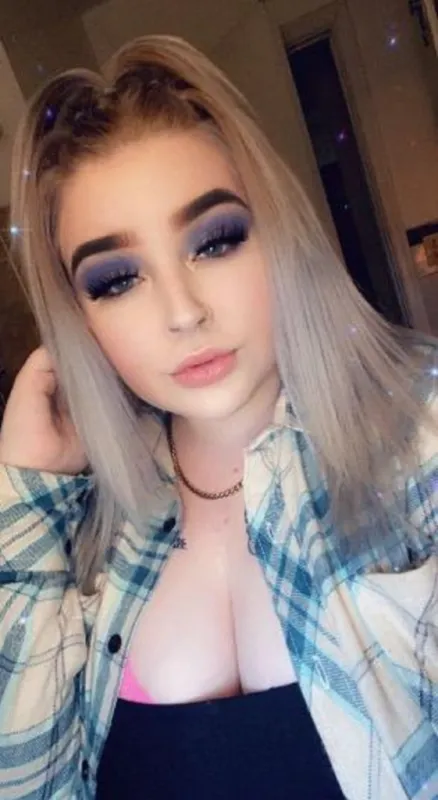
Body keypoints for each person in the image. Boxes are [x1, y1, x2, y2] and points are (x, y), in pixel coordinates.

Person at [0, 34, 437, 800]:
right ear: (80, 318)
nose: (182, 312)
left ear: (279, 235)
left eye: (216, 241)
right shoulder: (87, 527)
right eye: (116, 280)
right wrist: (25, 499)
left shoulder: (422, 437)